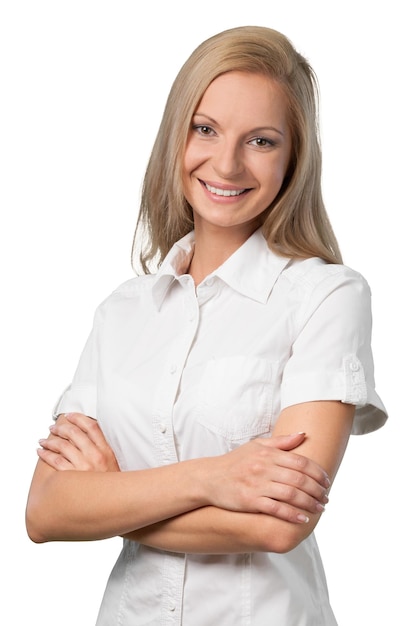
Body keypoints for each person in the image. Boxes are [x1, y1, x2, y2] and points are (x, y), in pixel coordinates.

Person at [26, 25, 387, 625]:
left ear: (293, 158)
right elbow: (45, 512)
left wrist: (110, 496)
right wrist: (217, 477)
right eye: (206, 129)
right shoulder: (123, 312)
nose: (227, 162)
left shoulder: (327, 296)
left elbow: (279, 525)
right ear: (178, 135)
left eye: (262, 140)